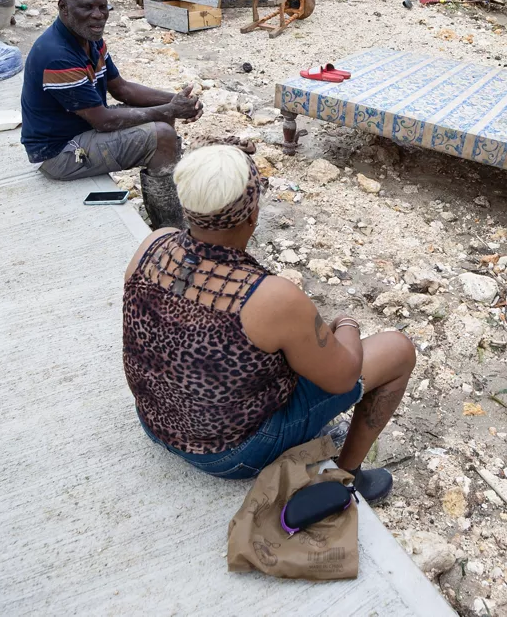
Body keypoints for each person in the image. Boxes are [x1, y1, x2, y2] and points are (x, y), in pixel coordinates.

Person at [123, 145, 416, 503]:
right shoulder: (270, 298)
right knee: (398, 350)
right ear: (252, 215)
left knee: (291, 345)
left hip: (155, 423)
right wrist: (348, 324)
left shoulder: (152, 244)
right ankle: (347, 477)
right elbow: (344, 376)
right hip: (227, 455)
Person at [20, 0, 203, 229]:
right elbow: (103, 121)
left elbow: (123, 89)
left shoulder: (89, 40)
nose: (98, 15)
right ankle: (171, 230)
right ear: (63, 7)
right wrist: (169, 109)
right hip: (59, 153)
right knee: (161, 134)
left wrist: (178, 102)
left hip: (80, 131)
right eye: (87, 7)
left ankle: (166, 193)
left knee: (162, 118)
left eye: (103, 7)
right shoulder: (57, 55)